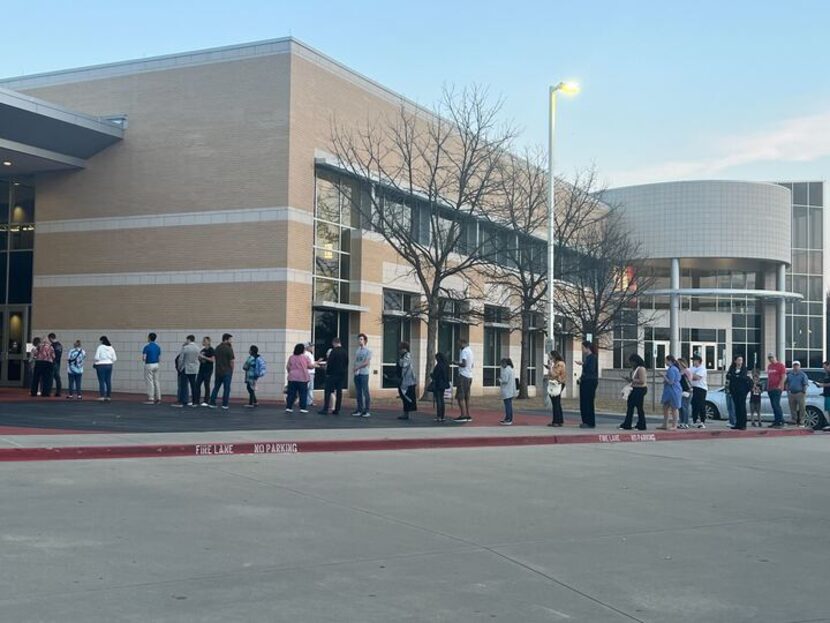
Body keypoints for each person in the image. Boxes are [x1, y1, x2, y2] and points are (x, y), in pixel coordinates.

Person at [319, 337, 349, 415]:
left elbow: (330, 363)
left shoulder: (333, 351)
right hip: (341, 374)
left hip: (332, 374)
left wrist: (327, 372)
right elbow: (347, 362)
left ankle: (326, 408)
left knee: (328, 391)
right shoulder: (345, 351)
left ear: (334, 343)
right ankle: (337, 409)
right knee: (339, 391)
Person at [620, 353, 648, 430]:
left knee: (639, 407)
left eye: (631, 362)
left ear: (635, 361)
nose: (631, 364)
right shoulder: (635, 369)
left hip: (640, 389)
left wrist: (632, 380)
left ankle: (641, 424)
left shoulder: (641, 369)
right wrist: (629, 380)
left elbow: (642, 381)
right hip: (634, 388)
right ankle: (627, 423)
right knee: (630, 406)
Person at [208, 333, 235, 410]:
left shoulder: (217, 348)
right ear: (226, 339)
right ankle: (225, 404)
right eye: (230, 339)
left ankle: (212, 402)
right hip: (227, 371)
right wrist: (232, 371)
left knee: (216, 387)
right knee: (226, 388)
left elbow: (214, 358)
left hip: (218, 371)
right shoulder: (229, 349)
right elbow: (232, 361)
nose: (231, 341)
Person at [286, 343, 314, 413]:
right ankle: (303, 408)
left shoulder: (291, 357)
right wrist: (315, 365)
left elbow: (288, 367)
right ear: (302, 350)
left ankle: (289, 407)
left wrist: (290, 372)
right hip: (302, 377)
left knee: (291, 393)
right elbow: (310, 366)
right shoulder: (305, 357)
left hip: (292, 377)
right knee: (303, 393)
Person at [576, 341, 598, 429]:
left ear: (587, 347)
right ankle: (585, 421)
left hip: (590, 382)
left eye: (583, 348)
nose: (582, 349)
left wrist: (583, 364)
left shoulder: (592, 357)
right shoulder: (588, 357)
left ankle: (589, 422)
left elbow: (591, 370)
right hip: (585, 381)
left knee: (588, 401)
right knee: (584, 402)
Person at [173, 335, 201, 408]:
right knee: (193, 385)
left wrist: (179, 368)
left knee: (183, 385)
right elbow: (198, 358)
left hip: (185, 368)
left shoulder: (185, 348)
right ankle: (195, 402)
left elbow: (181, 359)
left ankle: (182, 402)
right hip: (194, 369)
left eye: (186, 340)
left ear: (189, 340)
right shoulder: (198, 348)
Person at [452, 338, 475, 423]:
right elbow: (472, 365)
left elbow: (463, 364)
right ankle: (468, 415)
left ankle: (463, 415)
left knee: (460, 396)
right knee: (467, 396)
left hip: (463, 376)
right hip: (469, 376)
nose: (458, 346)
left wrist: (456, 362)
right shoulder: (470, 351)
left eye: (459, 344)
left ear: (463, 343)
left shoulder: (464, 351)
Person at [726, 355, 750, 430]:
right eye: (739, 360)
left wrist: (735, 376)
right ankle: (738, 423)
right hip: (734, 390)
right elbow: (728, 376)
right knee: (736, 407)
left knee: (742, 406)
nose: (740, 362)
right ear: (735, 361)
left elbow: (743, 377)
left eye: (741, 360)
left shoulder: (744, 369)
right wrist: (736, 376)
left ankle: (743, 424)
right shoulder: (732, 368)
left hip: (742, 391)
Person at [351, 333, 372, 418]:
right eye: (359, 339)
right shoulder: (357, 350)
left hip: (364, 373)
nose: (360, 341)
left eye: (361, 339)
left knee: (365, 391)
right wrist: (354, 368)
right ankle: (359, 409)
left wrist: (358, 367)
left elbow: (366, 362)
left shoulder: (368, 351)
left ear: (365, 340)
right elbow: (356, 361)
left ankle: (367, 410)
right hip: (357, 373)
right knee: (358, 392)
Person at [658, 355, 681, 430]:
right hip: (669, 391)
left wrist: (663, 376)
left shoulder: (672, 369)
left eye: (666, 360)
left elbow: (671, 382)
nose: (665, 362)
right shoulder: (672, 369)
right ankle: (665, 424)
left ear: (670, 361)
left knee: (674, 408)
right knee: (665, 407)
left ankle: (674, 425)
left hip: (673, 391)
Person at [396, 341, 418, 420]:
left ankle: (406, 413)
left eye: (400, 348)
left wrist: (400, 360)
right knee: (404, 397)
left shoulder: (407, 356)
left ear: (404, 349)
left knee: (406, 397)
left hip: (407, 381)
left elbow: (404, 365)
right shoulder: (403, 356)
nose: (399, 350)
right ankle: (405, 413)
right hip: (405, 380)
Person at [766, 353, 786, 428]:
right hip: (770, 388)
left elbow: (783, 377)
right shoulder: (769, 366)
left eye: (772, 357)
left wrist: (780, 385)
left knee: (776, 404)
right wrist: (767, 387)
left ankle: (781, 421)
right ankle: (776, 421)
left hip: (777, 388)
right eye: (769, 358)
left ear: (775, 357)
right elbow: (769, 377)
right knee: (773, 405)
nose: (771, 359)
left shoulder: (780, 366)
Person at [786, 360, 809, 427]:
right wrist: (788, 391)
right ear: (793, 366)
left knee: (802, 407)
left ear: (799, 366)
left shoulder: (803, 375)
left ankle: (802, 421)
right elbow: (787, 383)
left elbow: (805, 384)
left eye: (797, 365)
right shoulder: (790, 374)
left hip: (800, 393)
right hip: (791, 393)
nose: (795, 367)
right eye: (794, 365)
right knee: (792, 408)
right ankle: (794, 420)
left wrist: (804, 391)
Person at [546, 350, 567, 427]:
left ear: (554, 356)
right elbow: (551, 374)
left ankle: (556, 421)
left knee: (556, 403)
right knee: (556, 402)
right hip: (555, 383)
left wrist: (550, 368)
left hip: (558, 383)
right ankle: (559, 420)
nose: (550, 358)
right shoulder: (556, 364)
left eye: (551, 356)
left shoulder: (559, 364)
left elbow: (555, 374)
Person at [94, 336, 117, 401]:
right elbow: (115, 358)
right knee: (108, 381)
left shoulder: (100, 347)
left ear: (102, 341)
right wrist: (110, 361)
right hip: (109, 365)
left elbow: (96, 357)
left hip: (101, 365)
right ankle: (108, 396)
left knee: (101, 381)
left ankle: (102, 396)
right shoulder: (111, 348)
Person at [430, 352, 451, 423]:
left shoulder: (439, 365)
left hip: (438, 383)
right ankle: (442, 416)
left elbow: (435, 375)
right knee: (442, 400)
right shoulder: (446, 365)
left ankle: (439, 416)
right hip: (444, 384)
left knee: (438, 399)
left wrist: (431, 375)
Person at [142, 332, 162, 405]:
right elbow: (159, 358)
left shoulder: (147, 347)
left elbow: (144, 358)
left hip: (149, 364)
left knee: (149, 381)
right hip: (156, 364)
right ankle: (158, 397)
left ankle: (151, 397)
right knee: (156, 381)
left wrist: (145, 360)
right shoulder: (158, 347)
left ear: (149, 338)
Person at [195, 337, 215, 407]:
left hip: (208, 370)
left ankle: (206, 401)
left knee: (206, 385)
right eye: (203, 340)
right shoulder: (202, 350)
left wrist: (203, 357)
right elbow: (200, 359)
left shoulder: (211, 350)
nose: (203, 341)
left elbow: (212, 360)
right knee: (197, 384)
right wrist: (200, 358)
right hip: (201, 369)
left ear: (209, 342)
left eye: (205, 340)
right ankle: (196, 400)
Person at [690, 354, 708, 429]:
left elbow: (697, 377)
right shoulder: (692, 368)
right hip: (694, 388)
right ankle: (694, 420)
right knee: (694, 404)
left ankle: (702, 421)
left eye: (694, 360)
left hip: (701, 388)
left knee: (701, 405)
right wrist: (691, 375)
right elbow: (687, 374)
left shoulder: (702, 369)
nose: (693, 362)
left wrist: (690, 376)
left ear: (698, 361)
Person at [676, 358, 693, 429]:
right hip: (681, 390)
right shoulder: (680, 371)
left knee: (685, 407)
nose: (678, 365)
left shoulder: (687, 371)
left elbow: (689, 380)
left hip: (687, 390)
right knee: (680, 407)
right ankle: (681, 421)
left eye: (679, 363)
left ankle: (686, 422)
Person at [498, 358, 516, 425]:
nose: (501, 365)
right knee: (509, 405)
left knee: (507, 405)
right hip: (510, 390)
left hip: (506, 390)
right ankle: (508, 418)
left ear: (505, 363)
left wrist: (500, 380)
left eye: (502, 364)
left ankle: (508, 419)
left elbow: (505, 380)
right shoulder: (511, 369)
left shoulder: (506, 370)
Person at [816, 360, 830, 431]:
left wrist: (822, 385)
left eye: (825, 367)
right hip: (826, 394)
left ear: (829, 365)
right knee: (827, 410)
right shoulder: (826, 374)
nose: (824, 369)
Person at [48, 333, 63, 397]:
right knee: (57, 378)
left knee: (50, 377)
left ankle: (48, 391)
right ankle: (58, 392)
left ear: (51, 338)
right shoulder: (60, 345)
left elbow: (50, 355)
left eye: (49, 339)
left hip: (52, 362)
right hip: (58, 362)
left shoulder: (52, 345)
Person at [304, 342, 317, 407]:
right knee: (309, 388)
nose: (312, 348)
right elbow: (309, 364)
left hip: (310, 372)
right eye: (311, 346)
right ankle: (308, 401)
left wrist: (317, 362)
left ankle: (308, 401)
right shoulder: (307, 354)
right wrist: (315, 365)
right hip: (309, 372)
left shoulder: (310, 354)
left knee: (308, 388)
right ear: (307, 347)